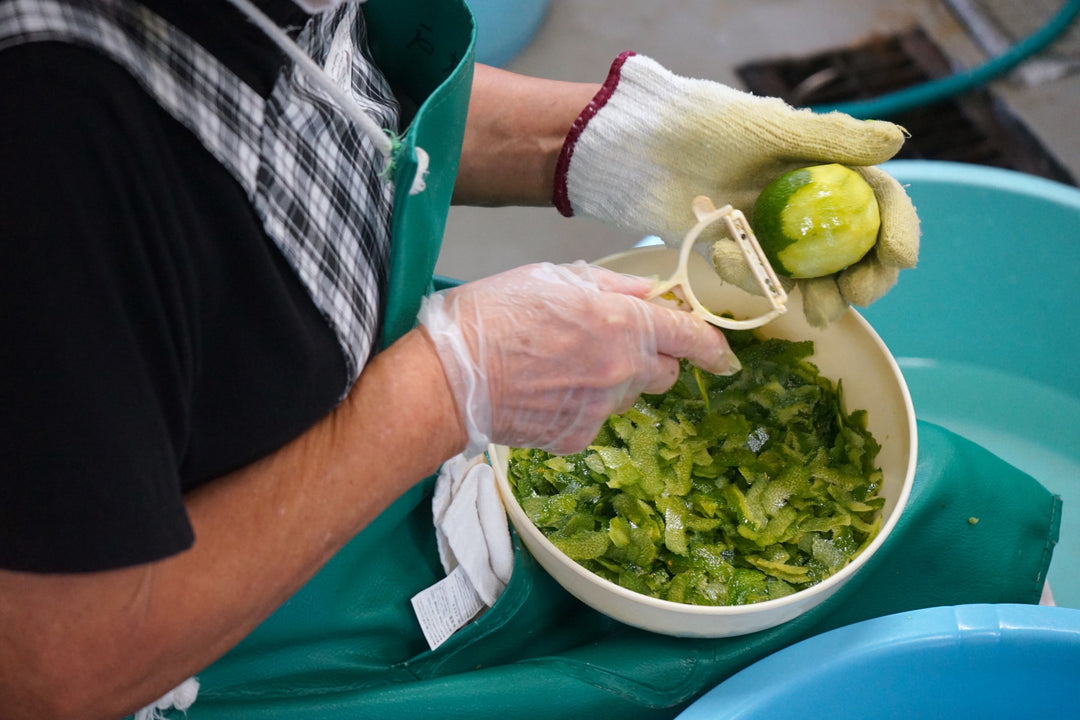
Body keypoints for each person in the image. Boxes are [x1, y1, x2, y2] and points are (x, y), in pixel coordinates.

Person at [0, 0, 917, 718]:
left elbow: (325, 105)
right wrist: (452, 382)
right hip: (225, 638)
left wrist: (614, 144)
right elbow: (58, 671)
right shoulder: (46, 140)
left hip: (355, 380)